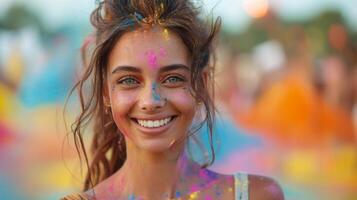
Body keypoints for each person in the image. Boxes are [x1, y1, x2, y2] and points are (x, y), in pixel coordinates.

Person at [62, 0, 284, 199]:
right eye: (129, 80)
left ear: (200, 85)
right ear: (105, 92)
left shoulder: (256, 195)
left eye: (172, 78)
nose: (151, 101)